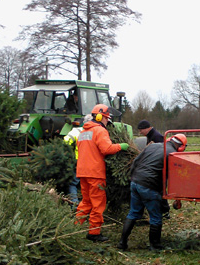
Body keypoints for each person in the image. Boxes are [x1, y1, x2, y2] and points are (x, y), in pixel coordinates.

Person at [118, 134, 187, 251]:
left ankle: (122, 243)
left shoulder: (153, 146)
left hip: (135, 182)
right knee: (155, 216)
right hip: (149, 186)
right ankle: (155, 245)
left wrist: (134, 178)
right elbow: (174, 177)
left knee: (133, 213)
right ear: (181, 147)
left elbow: (135, 161)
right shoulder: (172, 154)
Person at [76, 104, 129, 242]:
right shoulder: (99, 131)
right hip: (95, 173)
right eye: (106, 119)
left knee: (86, 201)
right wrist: (121, 146)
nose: (107, 122)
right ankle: (94, 233)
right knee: (98, 203)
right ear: (100, 117)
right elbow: (106, 149)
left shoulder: (82, 133)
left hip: (82, 171)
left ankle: (74, 227)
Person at [137, 120, 169, 218]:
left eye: (141, 130)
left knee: (160, 189)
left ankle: (165, 211)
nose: (140, 132)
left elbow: (162, 152)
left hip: (158, 168)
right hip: (155, 167)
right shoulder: (150, 135)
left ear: (146, 128)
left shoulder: (157, 137)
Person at [63, 114, 93, 205]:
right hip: (91, 163)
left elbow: (66, 142)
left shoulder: (77, 131)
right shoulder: (96, 132)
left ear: (84, 121)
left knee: (73, 184)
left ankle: (75, 205)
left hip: (78, 161)